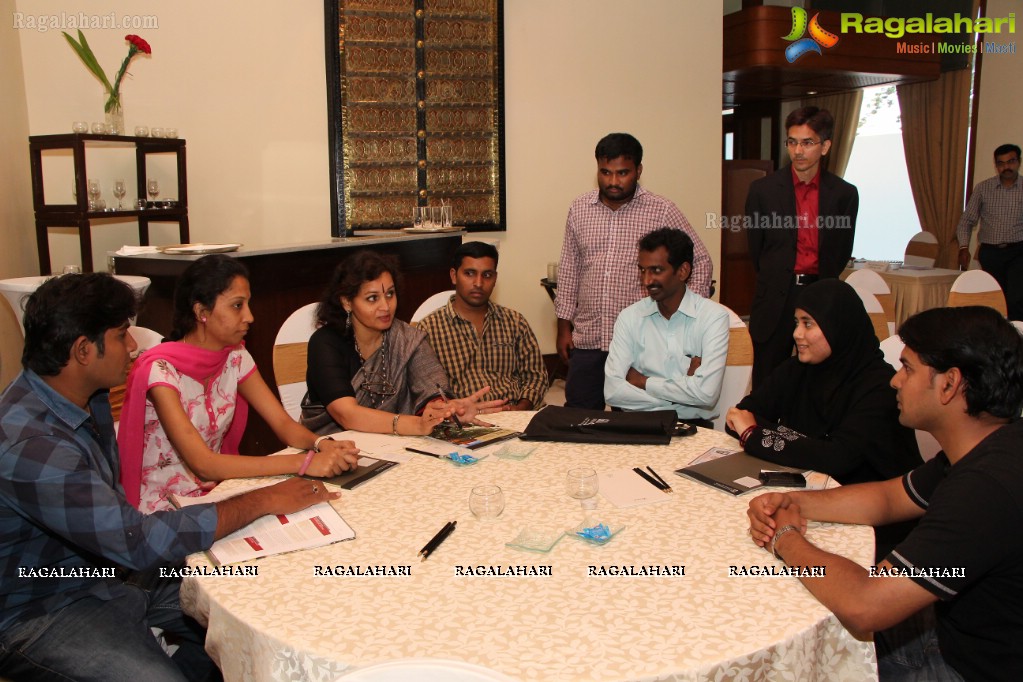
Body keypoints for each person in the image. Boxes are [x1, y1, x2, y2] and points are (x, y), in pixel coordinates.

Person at [0, 273, 340, 681]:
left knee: (265, 602)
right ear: (84, 350)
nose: (132, 345)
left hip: (109, 573)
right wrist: (264, 499)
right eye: (123, 333)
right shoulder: (32, 446)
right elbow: (136, 541)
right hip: (44, 606)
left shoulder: (83, 397)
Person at [747, 306, 1023, 681]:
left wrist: (785, 537)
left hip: (965, 665)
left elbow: (866, 603)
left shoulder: (983, 489)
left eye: (907, 368)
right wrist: (793, 502)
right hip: (955, 629)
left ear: (950, 383)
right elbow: (888, 498)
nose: (895, 381)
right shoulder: (991, 447)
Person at [117, 255, 361, 513]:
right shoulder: (161, 371)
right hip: (164, 508)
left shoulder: (235, 356)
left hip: (218, 494)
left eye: (248, 304)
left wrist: (321, 445)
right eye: (237, 306)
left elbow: (284, 425)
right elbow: (204, 464)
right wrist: (304, 463)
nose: (250, 316)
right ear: (202, 312)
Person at [556, 132, 713, 409]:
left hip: (642, 341)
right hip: (589, 336)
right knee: (578, 417)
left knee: (634, 419)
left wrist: (685, 317)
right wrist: (563, 327)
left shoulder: (662, 210)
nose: (613, 181)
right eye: (605, 172)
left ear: (638, 170)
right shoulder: (580, 208)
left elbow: (699, 261)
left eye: (622, 173)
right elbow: (570, 268)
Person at [726, 278, 921, 486]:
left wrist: (753, 434)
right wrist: (812, 447)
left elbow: (837, 459)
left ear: (837, 326)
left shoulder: (880, 386)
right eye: (796, 322)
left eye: (808, 323)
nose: (796, 334)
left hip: (872, 502)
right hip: (810, 486)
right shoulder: (797, 369)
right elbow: (739, 415)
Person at [301, 250, 504, 436]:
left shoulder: (407, 339)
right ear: (346, 302)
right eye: (372, 298)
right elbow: (347, 415)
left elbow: (431, 385)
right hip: (329, 448)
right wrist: (415, 425)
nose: (386, 306)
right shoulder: (325, 343)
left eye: (390, 294)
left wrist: (445, 410)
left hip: (393, 446)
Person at [745, 106, 858, 388]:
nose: (798, 150)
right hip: (776, 297)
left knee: (819, 381)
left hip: (820, 293)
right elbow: (757, 250)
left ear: (825, 146)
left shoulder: (844, 194)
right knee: (769, 379)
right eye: (792, 142)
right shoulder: (763, 190)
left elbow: (841, 250)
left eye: (807, 142)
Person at [604, 228, 729, 423]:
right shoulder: (629, 317)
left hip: (694, 429)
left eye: (656, 270)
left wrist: (643, 382)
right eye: (642, 270)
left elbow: (706, 395)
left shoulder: (713, 317)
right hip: (637, 425)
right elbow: (612, 392)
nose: (646, 281)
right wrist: (685, 390)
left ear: (683, 271)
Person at [418, 241, 549, 411]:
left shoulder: (515, 322)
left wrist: (522, 407)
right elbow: (427, 391)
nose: (478, 283)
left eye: (487, 275)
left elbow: (536, 376)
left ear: (495, 278)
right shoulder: (429, 329)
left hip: (515, 414)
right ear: (453, 275)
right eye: (470, 273)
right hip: (462, 420)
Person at [955, 143, 1023, 320]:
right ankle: (995, 341)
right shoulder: (983, 188)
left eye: (1011, 161)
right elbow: (967, 220)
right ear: (996, 165)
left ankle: (1017, 340)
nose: (1006, 167)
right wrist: (963, 247)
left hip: (1018, 252)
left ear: (1019, 162)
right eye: (1001, 163)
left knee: (1016, 299)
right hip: (991, 253)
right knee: (992, 299)